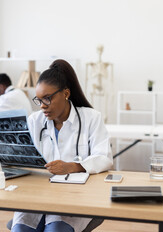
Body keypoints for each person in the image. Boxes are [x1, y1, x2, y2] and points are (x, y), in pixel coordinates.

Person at [11, 59, 113, 232]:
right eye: (39, 100)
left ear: (65, 93)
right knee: (21, 229)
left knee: (55, 230)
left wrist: (72, 166)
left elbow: (104, 158)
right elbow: (19, 155)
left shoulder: (91, 118)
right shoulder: (34, 121)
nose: (42, 106)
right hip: (37, 196)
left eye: (48, 99)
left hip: (75, 197)